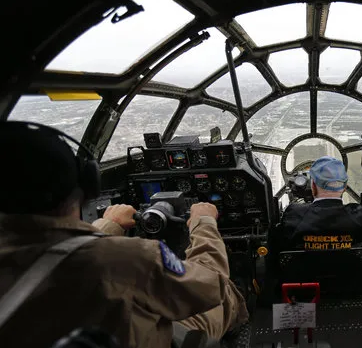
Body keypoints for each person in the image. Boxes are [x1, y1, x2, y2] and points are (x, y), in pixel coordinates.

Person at [0, 122, 248, 348]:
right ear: (87, 185)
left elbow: (56, 250)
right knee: (224, 294)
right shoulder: (126, 258)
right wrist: (204, 223)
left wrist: (107, 224)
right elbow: (211, 284)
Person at [269, 156, 362, 255]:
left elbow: (277, 250)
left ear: (313, 185)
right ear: (344, 187)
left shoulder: (293, 216)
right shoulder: (361, 217)